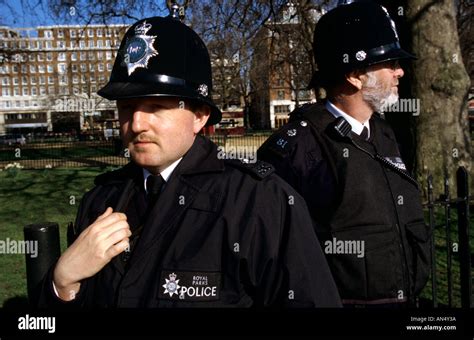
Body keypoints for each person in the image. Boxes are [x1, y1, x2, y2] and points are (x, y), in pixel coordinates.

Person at [38, 15, 341, 308]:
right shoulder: (100, 201)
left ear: (199, 115)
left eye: (156, 106)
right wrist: (63, 283)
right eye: (127, 107)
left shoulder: (260, 202)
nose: (137, 123)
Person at [258, 1, 430, 307]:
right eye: (389, 63)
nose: (400, 72)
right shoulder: (297, 148)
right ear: (355, 75)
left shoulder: (384, 134)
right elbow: (274, 257)